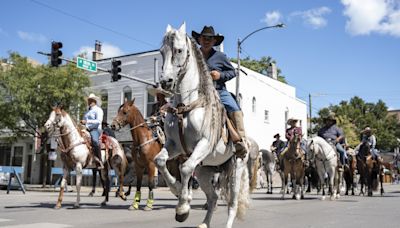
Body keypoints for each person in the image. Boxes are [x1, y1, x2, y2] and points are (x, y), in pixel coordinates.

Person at [192, 25, 247, 158]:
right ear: (199, 39)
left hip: (218, 91)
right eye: (204, 38)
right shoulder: (193, 55)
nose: (206, 40)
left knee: (234, 108)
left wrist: (220, 76)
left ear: (214, 41)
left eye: (210, 39)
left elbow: (233, 72)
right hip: (196, 92)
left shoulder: (220, 56)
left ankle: (241, 141)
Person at [80, 93, 104, 170]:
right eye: (88, 100)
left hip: (95, 129)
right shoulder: (87, 112)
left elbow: (98, 121)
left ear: (94, 101)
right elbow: (84, 122)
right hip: (86, 129)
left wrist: (86, 121)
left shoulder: (98, 110)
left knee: (95, 141)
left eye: (90, 100)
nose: (89, 102)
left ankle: (99, 160)